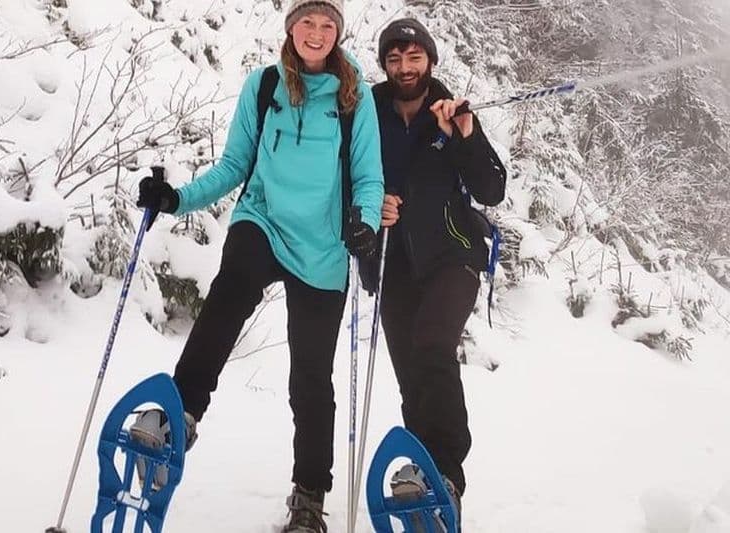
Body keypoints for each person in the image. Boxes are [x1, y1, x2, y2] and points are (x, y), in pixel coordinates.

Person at [133, 1, 384, 531]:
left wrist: (362, 221)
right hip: (263, 221)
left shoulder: (352, 94)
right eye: (306, 22)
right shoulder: (265, 86)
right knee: (228, 296)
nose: (315, 33)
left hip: (324, 245)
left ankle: (310, 495)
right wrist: (177, 199)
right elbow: (233, 166)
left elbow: (368, 174)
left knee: (311, 377)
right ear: (291, 28)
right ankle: (181, 414)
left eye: (326, 25)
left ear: (337, 34)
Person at [361, 17, 507, 530]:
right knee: (410, 376)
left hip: (454, 255)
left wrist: (465, 137)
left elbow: (491, 189)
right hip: (392, 260)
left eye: (414, 57)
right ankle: (422, 475)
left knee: (431, 346)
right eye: (395, 59)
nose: (405, 67)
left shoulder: (452, 113)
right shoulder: (365, 113)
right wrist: (369, 206)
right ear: (385, 64)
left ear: (430, 61)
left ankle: (446, 475)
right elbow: (347, 178)